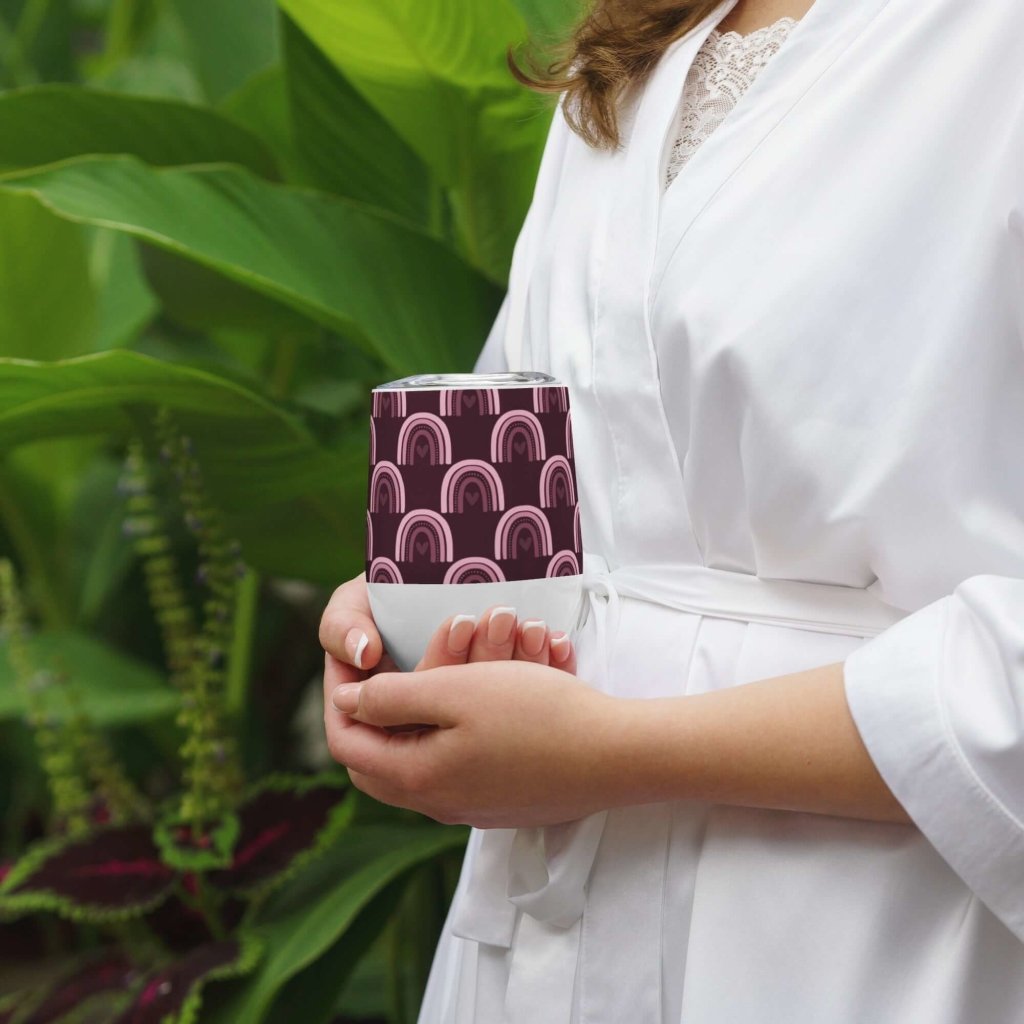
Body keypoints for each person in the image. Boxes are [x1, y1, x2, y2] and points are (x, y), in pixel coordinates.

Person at [319, 0, 1024, 1019]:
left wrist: (612, 751)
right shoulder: (639, 40)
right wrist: (409, 619)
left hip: (877, 933)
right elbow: (559, 455)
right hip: (550, 932)